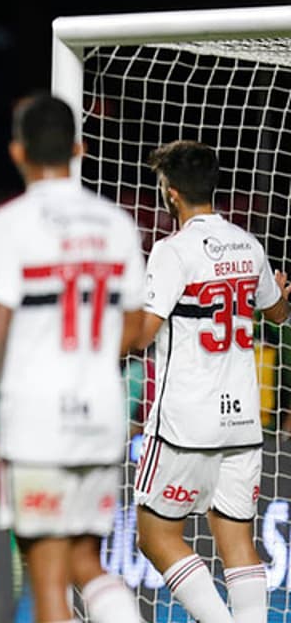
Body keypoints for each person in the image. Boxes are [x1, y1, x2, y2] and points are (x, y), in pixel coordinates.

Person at [0, 94, 144, 623]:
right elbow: (132, 327)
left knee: (48, 583)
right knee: (89, 560)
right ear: (79, 148)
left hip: (37, 420)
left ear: (17, 153)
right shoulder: (118, 223)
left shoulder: (6, 224)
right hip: (102, 412)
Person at [128, 140, 290, 623]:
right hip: (243, 420)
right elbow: (278, 314)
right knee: (238, 543)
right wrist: (280, 293)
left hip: (185, 423)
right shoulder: (249, 244)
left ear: (171, 193)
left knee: (155, 538)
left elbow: (143, 333)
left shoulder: (171, 252)